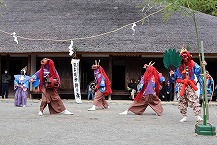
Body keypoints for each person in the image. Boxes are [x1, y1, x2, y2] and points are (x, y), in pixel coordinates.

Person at [169, 45, 203, 122]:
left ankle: (197, 116)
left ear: (188, 56)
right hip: (181, 84)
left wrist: (202, 66)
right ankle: (184, 116)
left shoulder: (192, 63)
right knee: (182, 100)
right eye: (183, 57)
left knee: (194, 99)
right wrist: (172, 74)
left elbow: (198, 70)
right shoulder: (178, 65)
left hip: (190, 84)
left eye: (186, 56)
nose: (185, 58)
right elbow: (175, 77)